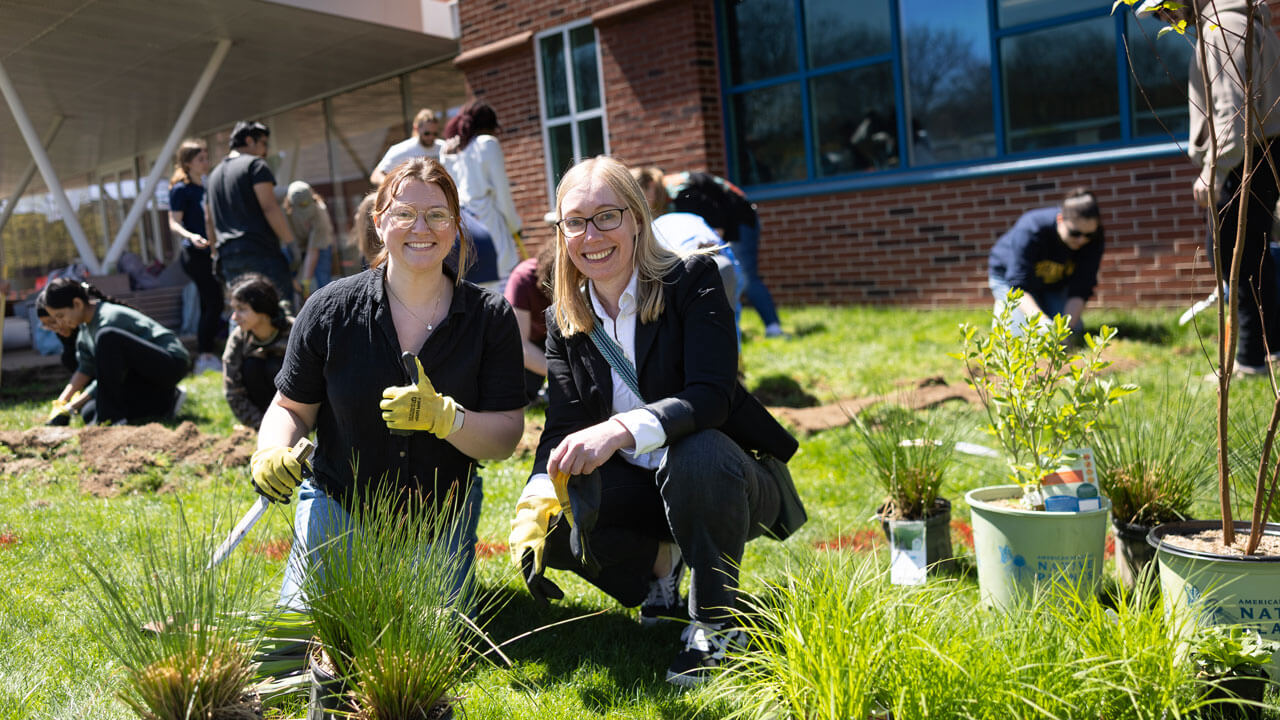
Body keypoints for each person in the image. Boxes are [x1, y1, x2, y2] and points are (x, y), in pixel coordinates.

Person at [507, 156, 798, 687]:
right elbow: (562, 425)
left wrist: (620, 428)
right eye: (575, 221)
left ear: (637, 219)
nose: (590, 235)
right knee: (553, 524)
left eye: (606, 216)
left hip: (725, 481)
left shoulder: (693, 279)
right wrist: (535, 498)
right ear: (561, 231)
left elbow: (712, 397)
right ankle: (663, 572)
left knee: (698, 453)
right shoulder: (562, 319)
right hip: (640, 489)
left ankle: (717, 621)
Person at [249, 157, 525, 610]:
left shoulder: (489, 317)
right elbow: (290, 409)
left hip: (439, 512)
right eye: (404, 214)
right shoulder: (329, 310)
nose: (422, 227)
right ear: (379, 223)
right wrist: (272, 450)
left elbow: (505, 437)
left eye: (437, 215)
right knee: (300, 645)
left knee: (426, 645)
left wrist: (446, 419)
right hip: (340, 504)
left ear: (455, 227)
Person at [1141, 0, 1280, 375]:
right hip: (1264, 151)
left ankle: (1251, 360)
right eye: (1157, 16)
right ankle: (1268, 349)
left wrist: (1214, 170)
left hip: (1243, 156)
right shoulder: (1249, 23)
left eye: (1164, 9)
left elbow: (1231, 107)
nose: (1164, 19)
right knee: (1257, 253)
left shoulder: (1220, 29)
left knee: (1235, 257)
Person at [633, 167, 786, 338]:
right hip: (723, 224)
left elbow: (715, 230)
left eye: (642, 194)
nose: (644, 202)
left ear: (651, 184)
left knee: (745, 275)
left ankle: (773, 328)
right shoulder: (668, 197)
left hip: (740, 219)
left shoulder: (682, 193)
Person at [42, 277, 190, 425]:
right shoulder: (85, 329)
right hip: (142, 376)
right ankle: (166, 401)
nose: (60, 323)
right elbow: (85, 368)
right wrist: (62, 403)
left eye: (60, 316)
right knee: (89, 412)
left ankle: (113, 419)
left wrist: (72, 407)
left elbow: (108, 375)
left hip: (171, 363)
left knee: (107, 337)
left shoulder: (109, 319)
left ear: (77, 304)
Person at [987, 189, 1105, 337]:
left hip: (1052, 284)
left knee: (1074, 331)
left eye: (1089, 235)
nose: (1082, 240)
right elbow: (1018, 285)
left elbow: (1081, 287)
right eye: (1075, 233)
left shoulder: (1095, 238)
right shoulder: (1031, 228)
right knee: (1017, 334)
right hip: (1009, 281)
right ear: (1060, 219)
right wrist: (1043, 323)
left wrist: (1065, 330)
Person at [206, 120, 297, 306]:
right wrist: (290, 243)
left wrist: (215, 253)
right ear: (249, 140)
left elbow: (208, 220)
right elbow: (269, 207)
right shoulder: (255, 165)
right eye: (263, 143)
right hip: (260, 252)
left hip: (228, 257)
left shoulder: (214, 175)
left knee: (242, 312)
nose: (265, 151)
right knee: (278, 310)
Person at [439, 101, 523, 282]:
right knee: (503, 292)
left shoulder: (454, 150)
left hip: (468, 234)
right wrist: (515, 225)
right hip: (492, 231)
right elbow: (502, 195)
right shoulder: (487, 143)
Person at [167, 138, 224, 374]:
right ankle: (205, 356)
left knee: (207, 303)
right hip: (194, 254)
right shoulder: (182, 189)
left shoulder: (207, 187)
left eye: (206, 157)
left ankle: (206, 352)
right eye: (200, 159)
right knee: (215, 302)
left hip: (210, 252)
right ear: (188, 163)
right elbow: (173, 222)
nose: (206, 162)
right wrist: (191, 236)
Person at [222, 273, 292, 430]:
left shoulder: (294, 332)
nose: (234, 317)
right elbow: (233, 391)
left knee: (275, 366)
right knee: (251, 366)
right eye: (234, 309)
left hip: (299, 410)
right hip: (263, 418)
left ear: (262, 309)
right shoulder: (238, 340)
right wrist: (263, 426)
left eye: (242, 309)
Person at [503, 243, 555, 402]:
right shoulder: (523, 278)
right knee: (519, 396)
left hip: (558, 338)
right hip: (529, 344)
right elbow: (521, 345)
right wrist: (563, 374)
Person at [36, 295, 96, 426]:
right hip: (96, 386)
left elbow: (101, 373)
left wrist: (71, 406)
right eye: (47, 326)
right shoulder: (68, 344)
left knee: (89, 412)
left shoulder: (88, 334)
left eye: (54, 321)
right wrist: (62, 402)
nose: (54, 328)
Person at [282, 181, 336, 302]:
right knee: (284, 271)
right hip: (296, 246)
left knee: (323, 281)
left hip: (320, 246)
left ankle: (327, 305)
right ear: (290, 204)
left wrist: (305, 283)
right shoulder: (285, 213)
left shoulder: (320, 213)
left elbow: (313, 251)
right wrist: (293, 277)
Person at [370, 109, 444, 186]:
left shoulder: (444, 147)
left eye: (435, 134)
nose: (431, 137)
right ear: (416, 128)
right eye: (427, 133)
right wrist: (395, 188)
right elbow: (376, 176)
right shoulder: (402, 149)